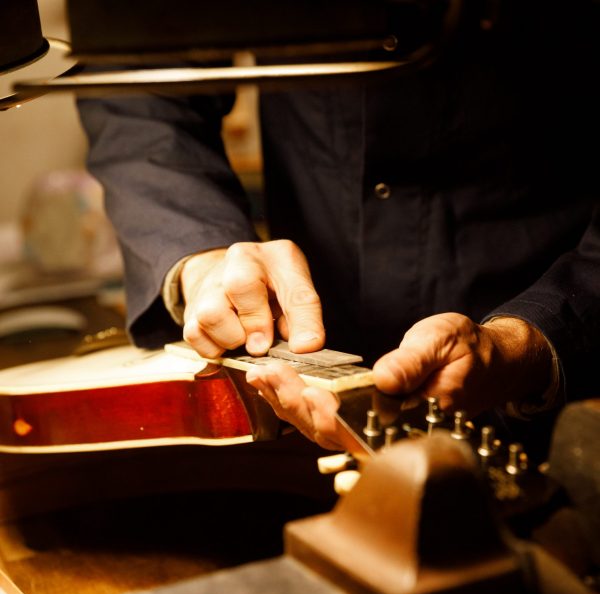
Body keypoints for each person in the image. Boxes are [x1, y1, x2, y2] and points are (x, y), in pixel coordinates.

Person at [77, 3, 600, 456]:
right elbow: (138, 86)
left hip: (566, 402)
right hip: (287, 425)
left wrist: (531, 341)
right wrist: (203, 259)